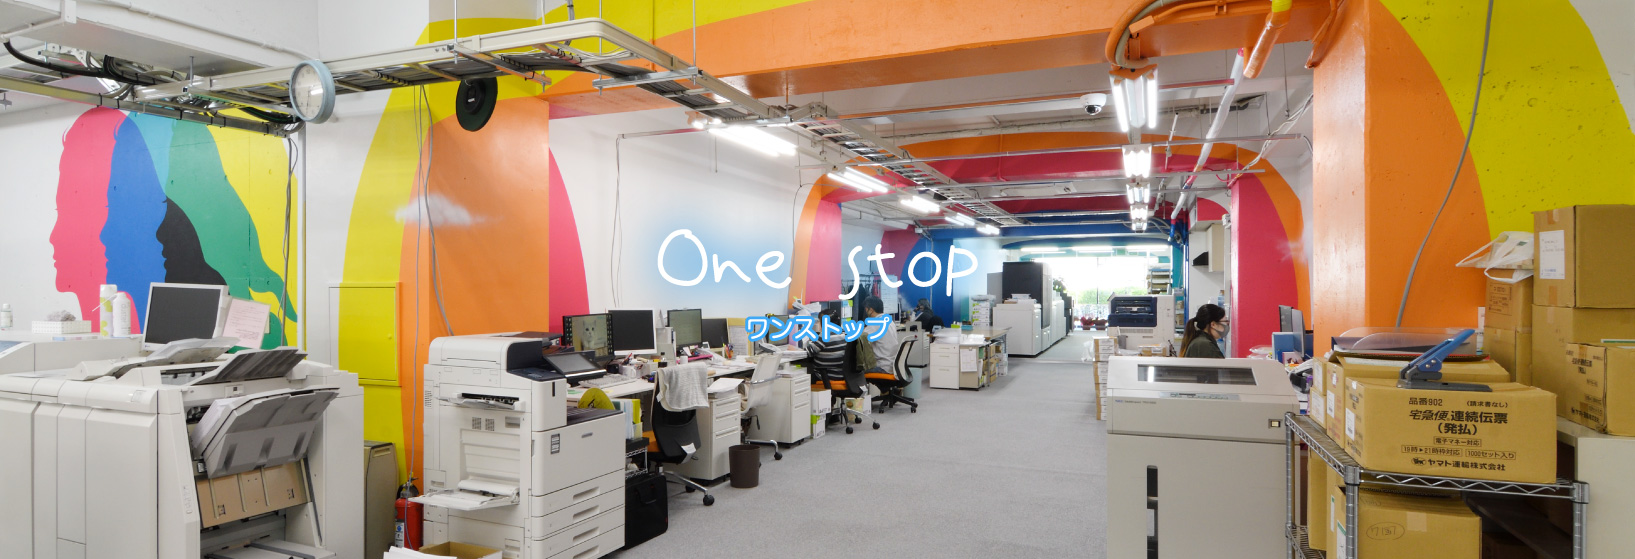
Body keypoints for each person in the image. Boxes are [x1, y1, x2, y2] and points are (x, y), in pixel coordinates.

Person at [862, 296, 901, 374]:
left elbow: (860, 340)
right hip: (892, 365)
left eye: (866, 309)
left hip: (881, 367)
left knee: (854, 370)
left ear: (871, 310)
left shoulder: (876, 323)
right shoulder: (889, 321)